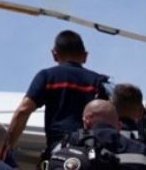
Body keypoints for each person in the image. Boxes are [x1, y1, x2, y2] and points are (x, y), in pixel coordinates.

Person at [7, 29, 110, 162]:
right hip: (91, 153)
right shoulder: (99, 81)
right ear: (85, 56)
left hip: (58, 152)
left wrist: (7, 147)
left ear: (55, 55)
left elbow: (23, 110)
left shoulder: (47, 76)